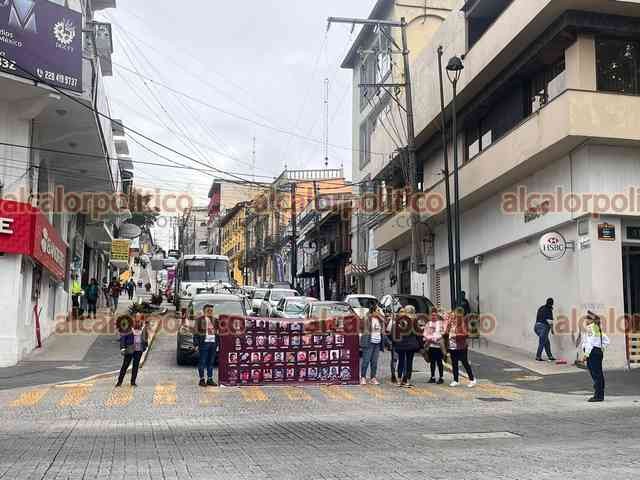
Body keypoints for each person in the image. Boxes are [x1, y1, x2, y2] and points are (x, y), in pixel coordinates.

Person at [582, 311, 610, 402]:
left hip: (592, 353)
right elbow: (606, 341)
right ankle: (600, 395)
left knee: (595, 374)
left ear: (591, 320)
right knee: (598, 374)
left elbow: (589, 343)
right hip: (597, 352)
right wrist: (601, 348)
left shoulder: (590, 328)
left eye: (587, 318)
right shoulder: (597, 328)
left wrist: (586, 355)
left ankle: (598, 396)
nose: (586, 320)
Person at [446, 308, 477, 387]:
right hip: (452, 346)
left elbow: (466, 334)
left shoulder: (462, 324)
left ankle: (472, 379)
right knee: (454, 363)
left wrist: (456, 336)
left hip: (461, 346)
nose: (452, 318)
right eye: (451, 316)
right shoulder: (450, 324)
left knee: (464, 362)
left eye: (454, 316)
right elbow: (446, 333)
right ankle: (455, 380)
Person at [392, 305, 421, 387]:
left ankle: (399, 380)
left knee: (401, 361)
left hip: (400, 344)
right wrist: (421, 346)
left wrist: (394, 343)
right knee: (409, 362)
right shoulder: (414, 321)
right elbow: (418, 334)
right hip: (410, 345)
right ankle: (407, 381)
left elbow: (395, 332)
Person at [116, 314, 148, 387]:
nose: (137, 322)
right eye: (135, 321)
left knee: (135, 366)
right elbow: (123, 338)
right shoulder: (129, 328)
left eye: (138, 321)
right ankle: (119, 382)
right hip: (129, 350)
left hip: (139, 350)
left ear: (141, 320)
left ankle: (133, 382)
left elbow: (146, 336)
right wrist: (122, 348)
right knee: (125, 366)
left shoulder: (143, 328)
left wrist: (145, 345)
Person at [360, 304, 384, 385]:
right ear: (373, 311)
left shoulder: (379, 319)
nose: (379, 312)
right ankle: (363, 377)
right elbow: (362, 325)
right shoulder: (367, 318)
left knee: (374, 362)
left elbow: (385, 324)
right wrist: (370, 316)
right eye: (377, 310)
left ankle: (373, 377)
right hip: (368, 342)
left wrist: (380, 317)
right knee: (366, 360)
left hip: (377, 342)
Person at [195, 304, 218, 387]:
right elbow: (196, 332)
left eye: (211, 310)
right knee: (202, 362)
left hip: (213, 343)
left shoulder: (215, 320)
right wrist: (196, 344)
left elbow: (220, 331)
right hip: (204, 343)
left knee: (211, 362)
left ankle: (210, 379)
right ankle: (202, 380)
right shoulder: (199, 320)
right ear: (204, 311)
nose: (210, 312)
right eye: (208, 310)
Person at [423, 308, 446, 384]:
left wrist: (436, 338)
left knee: (439, 362)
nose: (433, 317)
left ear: (437, 316)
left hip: (439, 346)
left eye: (435, 315)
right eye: (432, 315)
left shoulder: (441, 323)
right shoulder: (428, 324)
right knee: (432, 362)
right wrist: (431, 338)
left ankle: (441, 377)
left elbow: (443, 333)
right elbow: (425, 333)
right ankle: (432, 377)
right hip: (431, 345)